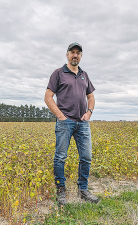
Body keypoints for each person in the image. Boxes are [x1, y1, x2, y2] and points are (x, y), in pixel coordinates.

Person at [44, 42, 99, 206]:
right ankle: (61, 191)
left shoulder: (84, 75)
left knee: (86, 157)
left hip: (82, 123)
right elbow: (48, 97)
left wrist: (89, 112)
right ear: (67, 55)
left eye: (78, 53)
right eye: (72, 52)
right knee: (60, 157)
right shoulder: (58, 73)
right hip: (65, 122)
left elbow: (91, 97)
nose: (75, 55)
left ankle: (83, 190)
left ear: (81, 56)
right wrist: (61, 116)